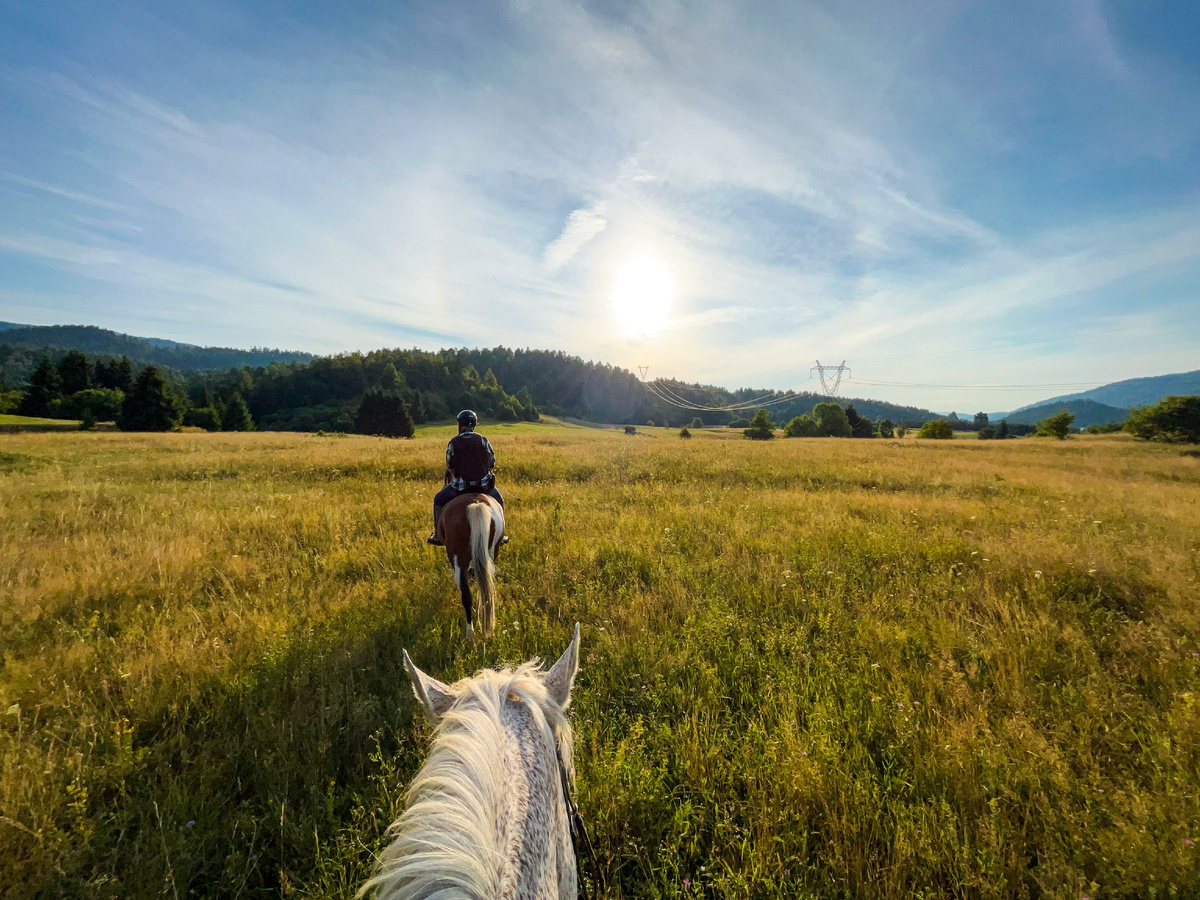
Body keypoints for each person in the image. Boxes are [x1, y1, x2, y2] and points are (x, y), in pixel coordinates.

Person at [427, 409, 507, 545]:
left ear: (460, 425)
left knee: (438, 500)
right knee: (499, 501)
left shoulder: (453, 442)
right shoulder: (483, 440)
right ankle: (502, 534)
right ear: (474, 425)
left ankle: (437, 534)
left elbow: (449, 464)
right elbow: (492, 462)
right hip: (483, 487)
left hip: (459, 487)